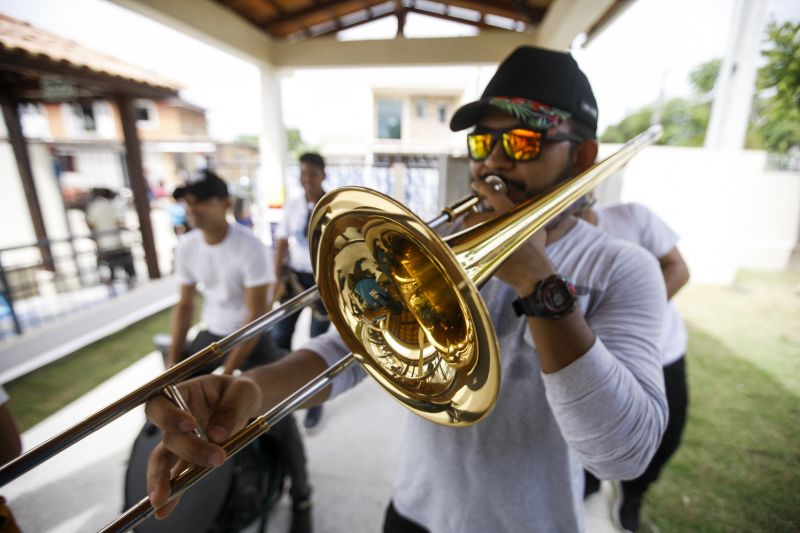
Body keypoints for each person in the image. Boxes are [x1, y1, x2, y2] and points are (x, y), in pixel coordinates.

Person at [144, 46, 668, 533]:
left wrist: (540, 285)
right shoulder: (435, 244)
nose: (493, 162)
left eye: (523, 141)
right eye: (483, 141)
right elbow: (352, 348)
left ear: (582, 158)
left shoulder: (624, 268)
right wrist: (256, 390)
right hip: (413, 512)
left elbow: (624, 455)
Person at [168, 169, 314, 533]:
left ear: (225, 204)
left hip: (252, 338)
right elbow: (185, 305)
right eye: (188, 200)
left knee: (279, 412)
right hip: (212, 335)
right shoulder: (187, 246)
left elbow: (256, 316)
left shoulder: (249, 246)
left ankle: (301, 493)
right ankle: (182, 485)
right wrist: (173, 362)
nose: (192, 208)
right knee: (168, 401)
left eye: (201, 200)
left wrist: (229, 371)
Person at [577, 200, 690, 532]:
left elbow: (678, 268)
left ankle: (634, 496)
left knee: (667, 434)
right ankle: (590, 483)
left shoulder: (631, 217)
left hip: (661, 352)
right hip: (597, 360)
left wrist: (630, 310)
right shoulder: (550, 239)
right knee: (591, 431)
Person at [272, 152, 330, 430]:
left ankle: (314, 402)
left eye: (312, 174)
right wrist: (276, 275)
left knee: (317, 345)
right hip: (295, 279)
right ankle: (281, 388)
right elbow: (282, 241)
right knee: (280, 335)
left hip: (323, 283)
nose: (306, 179)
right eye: (303, 173)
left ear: (323, 175)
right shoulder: (293, 206)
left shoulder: (333, 206)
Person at [85, 187, 136, 291]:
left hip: (103, 244)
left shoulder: (93, 208)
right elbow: (120, 221)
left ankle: (111, 289)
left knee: (109, 267)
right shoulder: (112, 206)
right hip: (117, 242)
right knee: (124, 264)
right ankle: (130, 285)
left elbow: (90, 224)